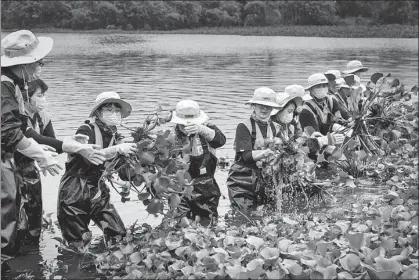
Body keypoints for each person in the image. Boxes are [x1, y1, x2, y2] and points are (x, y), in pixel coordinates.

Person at [1, 30, 63, 267]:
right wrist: (40, 155)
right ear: (24, 64)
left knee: (13, 219)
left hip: (8, 161)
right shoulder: (3, 86)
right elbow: (8, 132)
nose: (40, 68)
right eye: (38, 63)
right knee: (6, 227)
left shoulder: (12, 85)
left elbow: (22, 129)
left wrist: (45, 150)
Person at [57, 91, 138, 249]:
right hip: (74, 190)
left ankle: (111, 264)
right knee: (78, 242)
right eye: (108, 109)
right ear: (98, 112)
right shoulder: (85, 130)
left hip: (97, 188)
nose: (113, 113)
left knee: (119, 235)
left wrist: (140, 167)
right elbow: (86, 156)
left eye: (117, 110)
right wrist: (117, 150)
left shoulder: (116, 136)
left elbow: (123, 173)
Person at [170, 100, 226, 226]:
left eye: (190, 124)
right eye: (183, 124)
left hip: (207, 189)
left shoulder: (207, 129)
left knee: (209, 226)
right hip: (180, 189)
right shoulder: (171, 136)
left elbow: (220, 141)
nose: (186, 127)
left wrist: (201, 129)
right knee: (180, 227)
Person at [227, 87, 280, 212]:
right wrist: (266, 152)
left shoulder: (275, 127)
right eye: (261, 105)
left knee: (265, 211)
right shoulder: (243, 126)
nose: (264, 109)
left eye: (268, 106)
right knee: (244, 213)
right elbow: (246, 156)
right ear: (254, 106)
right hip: (242, 177)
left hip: (264, 175)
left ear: (272, 109)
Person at [299, 73, 352, 159]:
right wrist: (330, 142)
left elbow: (344, 113)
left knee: (350, 135)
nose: (321, 89)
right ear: (311, 90)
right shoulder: (306, 111)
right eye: (318, 86)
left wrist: (351, 120)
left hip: (326, 135)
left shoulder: (330, 100)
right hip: (313, 144)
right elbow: (314, 137)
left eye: (324, 86)